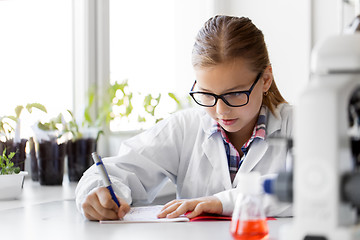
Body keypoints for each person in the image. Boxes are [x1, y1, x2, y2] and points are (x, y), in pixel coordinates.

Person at [75, 15, 293, 221]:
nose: (220, 110)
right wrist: (97, 192)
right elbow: (119, 169)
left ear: (265, 79)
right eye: (207, 94)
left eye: (235, 93)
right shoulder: (184, 127)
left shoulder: (300, 125)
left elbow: (308, 187)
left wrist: (220, 202)